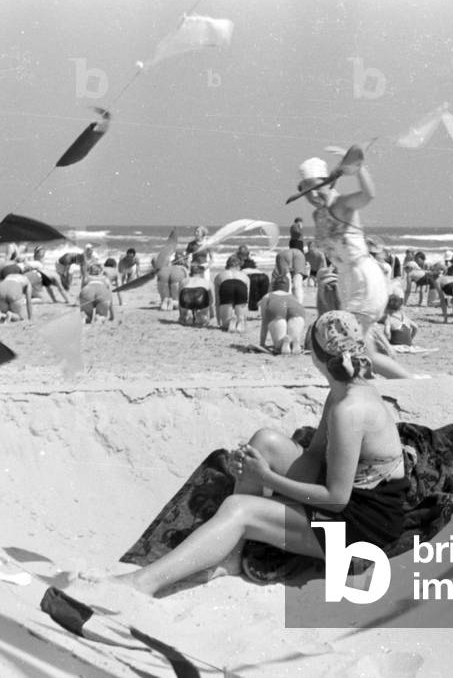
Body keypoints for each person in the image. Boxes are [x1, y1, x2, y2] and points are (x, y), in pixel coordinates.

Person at [81, 311, 409, 599]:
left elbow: (336, 498)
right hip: (357, 502)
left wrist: (267, 477)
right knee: (264, 441)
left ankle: (141, 584)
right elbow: (315, 458)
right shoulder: (343, 392)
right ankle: (231, 555)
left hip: (363, 529)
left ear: (316, 355)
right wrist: (256, 464)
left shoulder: (350, 409)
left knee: (238, 509)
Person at [296, 155, 412, 378]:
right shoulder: (318, 213)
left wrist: (359, 168)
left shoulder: (341, 204)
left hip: (363, 277)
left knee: (346, 342)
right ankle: (407, 383)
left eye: (316, 187)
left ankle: (400, 384)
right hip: (346, 279)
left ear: (329, 182)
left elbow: (368, 194)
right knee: (360, 348)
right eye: (306, 190)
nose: (312, 195)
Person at [258, 274, 306, 354]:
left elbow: (264, 322)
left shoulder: (267, 296)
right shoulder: (293, 297)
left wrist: (262, 343)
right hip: (298, 310)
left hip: (277, 309)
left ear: (273, 286)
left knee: (278, 347)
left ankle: (283, 343)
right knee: (294, 337)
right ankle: (294, 342)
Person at [214, 255, 249, 332]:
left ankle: (229, 321)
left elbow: (217, 300)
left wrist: (218, 322)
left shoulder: (219, 275)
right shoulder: (244, 276)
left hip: (226, 285)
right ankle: (241, 321)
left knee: (225, 324)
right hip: (241, 285)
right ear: (238, 265)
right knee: (241, 308)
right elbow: (247, 300)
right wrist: (245, 320)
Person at [178, 261, 215, 326]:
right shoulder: (207, 282)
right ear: (202, 273)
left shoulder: (183, 281)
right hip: (200, 303)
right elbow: (212, 301)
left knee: (185, 318)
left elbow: (179, 298)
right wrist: (212, 315)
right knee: (203, 320)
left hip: (186, 303)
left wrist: (181, 315)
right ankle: (201, 316)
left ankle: (186, 316)